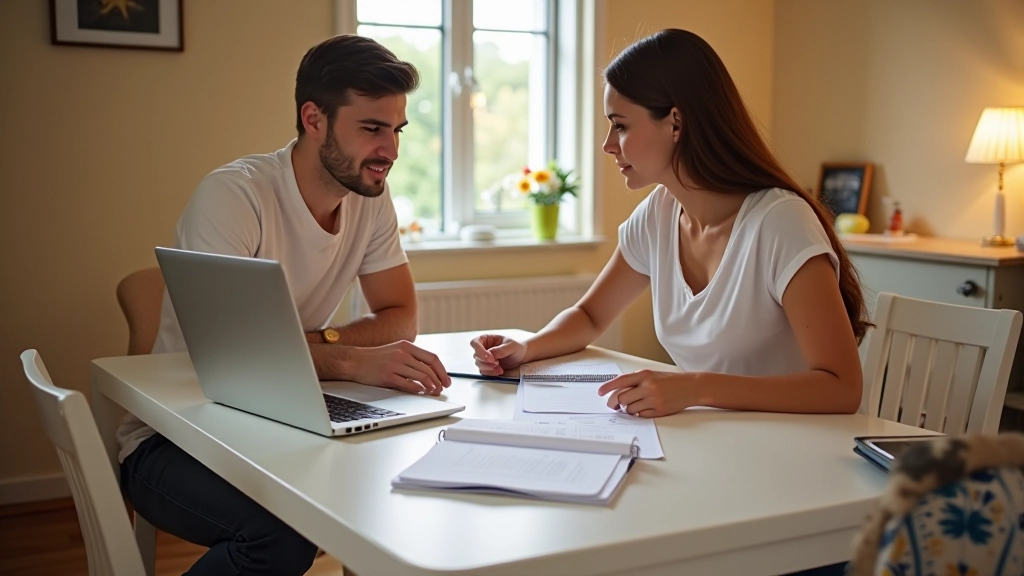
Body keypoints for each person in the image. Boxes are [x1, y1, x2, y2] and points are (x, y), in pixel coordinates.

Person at [116, 35, 451, 575]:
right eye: (372, 128)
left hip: (282, 418)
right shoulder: (235, 196)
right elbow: (230, 356)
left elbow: (400, 317)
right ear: (313, 118)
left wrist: (321, 345)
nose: (390, 150)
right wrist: (346, 360)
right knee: (281, 535)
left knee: (399, 492)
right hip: (174, 436)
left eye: (396, 130)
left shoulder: (370, 196)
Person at [471, 28, 869, 419]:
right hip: (719, 444)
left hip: (798, 455)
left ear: (676, 123)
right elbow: (590, 316)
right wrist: (528, 348)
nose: (608, 144)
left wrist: (696, 387)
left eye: (620, 125)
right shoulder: (658, 213)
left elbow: (841, 387)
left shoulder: (780, 222)